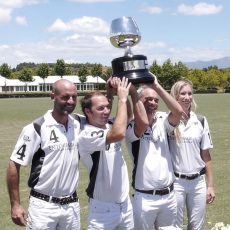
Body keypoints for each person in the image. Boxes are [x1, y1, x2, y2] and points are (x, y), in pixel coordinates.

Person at [6, 79, 84, 230]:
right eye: (65, 97)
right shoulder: (36, 127)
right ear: (53, 96)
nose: (71, 101)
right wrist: (15, 204)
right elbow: (14, 165)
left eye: (74, 97)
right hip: (43, 207)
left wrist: (111, 93)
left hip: (71, 206)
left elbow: (102, 113)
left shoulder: (78, 122)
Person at [78, 77, 147, 229]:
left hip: (125, 204)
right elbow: (118, 134)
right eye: (100, 108)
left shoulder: (109, 124)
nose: (106, 111)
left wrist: (113, 92)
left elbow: (128, 117)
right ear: (88, 112)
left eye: (107, 107)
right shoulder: (86, 134)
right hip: (102, 210)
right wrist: (122, 99)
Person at [125, 76, 183, 230]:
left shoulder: (163, 119)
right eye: (148, 99)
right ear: (139, 100)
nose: (153, 103)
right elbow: (143, 122)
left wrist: (156, 86)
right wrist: (132, 92)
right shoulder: (131, 127)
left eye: (156, 100)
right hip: (145, 198)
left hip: (169, 196)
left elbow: (178, 111)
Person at [168, 79, 215, 230]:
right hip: (176, 182)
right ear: (175, 96)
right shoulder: (166, 121)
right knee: (175, 226)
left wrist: (211, 186)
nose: (187, 97)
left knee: (197, 226)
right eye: (183, 93)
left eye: (189, 93)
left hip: (198, 183)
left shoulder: (200, 120)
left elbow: (206, 156)